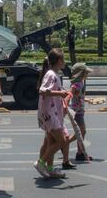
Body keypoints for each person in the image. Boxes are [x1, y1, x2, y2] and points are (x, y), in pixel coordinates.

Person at [34, 48, 69, 178]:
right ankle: (41, 163)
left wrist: (63, 94)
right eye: (64, 59)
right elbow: (43, 91)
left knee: (51, 141)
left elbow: (53, 91)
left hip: (52, 112)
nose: (65, 62)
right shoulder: (51, 74)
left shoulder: (53, 74)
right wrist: (60, 93)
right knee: (61, 141)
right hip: (49, 113)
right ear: (59, 60)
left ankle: (49, 168)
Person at [69, 63, 93, 161]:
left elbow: (78, 96)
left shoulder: (81, 82)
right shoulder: (77, 84)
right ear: (81, 74)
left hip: (79, 111)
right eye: (86, 73)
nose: (87, 74)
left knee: (81, 132)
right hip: (77, 112)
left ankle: (80, 153)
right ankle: (65, 143)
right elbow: (71, 93)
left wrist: (86, 99)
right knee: (82, 131)